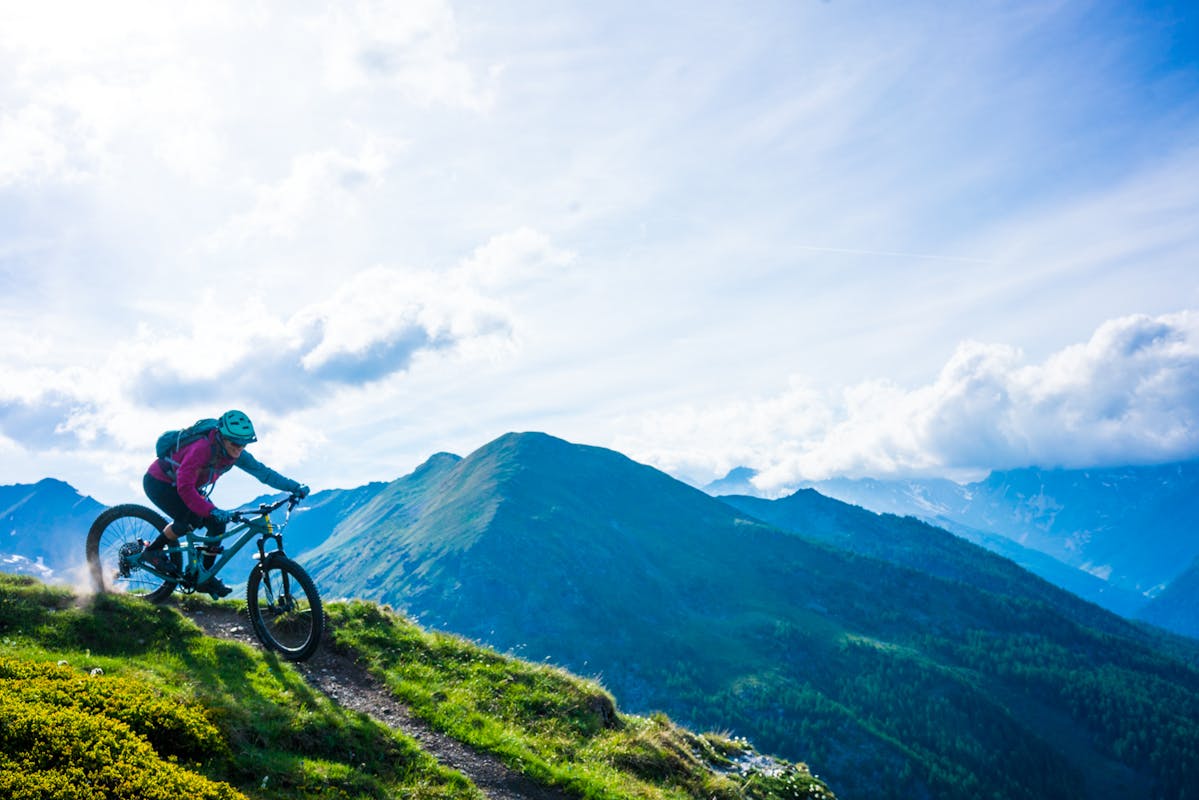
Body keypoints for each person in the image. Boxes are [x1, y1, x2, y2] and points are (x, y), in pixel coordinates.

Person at [141, 409, 309, 598]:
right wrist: (211, 510)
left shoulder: (237, 453)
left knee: (218, 523)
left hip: (187, 486)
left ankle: (204, 577)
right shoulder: (201, 448)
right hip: (160, 482)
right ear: (222, 437)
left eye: (244, 445)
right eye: (235, 443)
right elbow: (185, 488)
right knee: (188, 519)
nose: (239, 449)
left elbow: (264, 473)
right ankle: (152, 551)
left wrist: (295, 487)